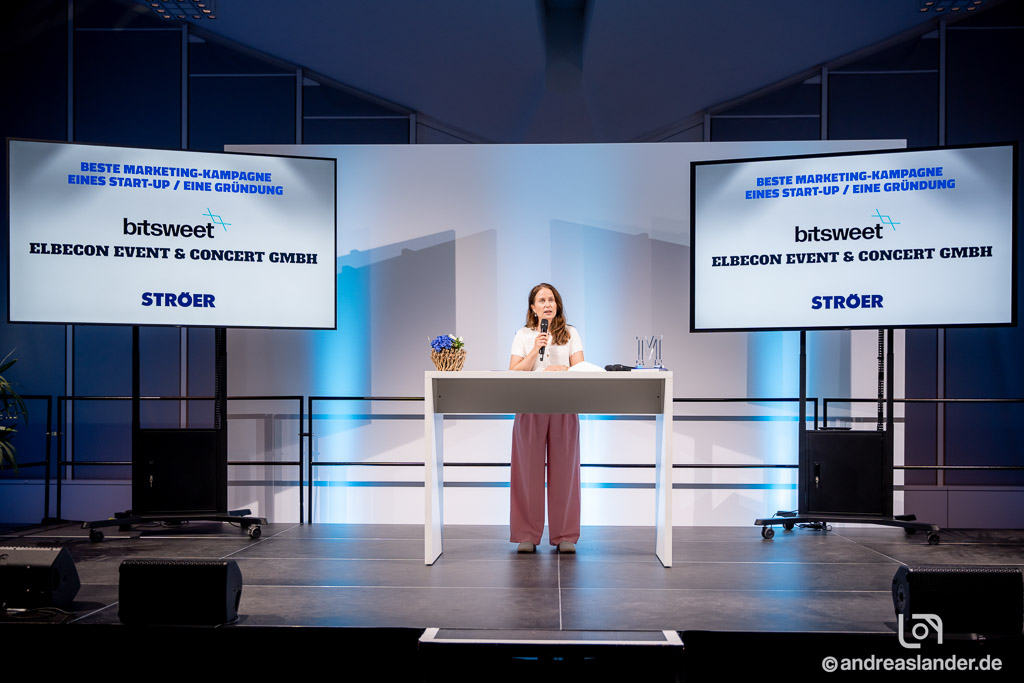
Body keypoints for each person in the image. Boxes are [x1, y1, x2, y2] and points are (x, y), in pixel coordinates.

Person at [508, 283, 584, 553]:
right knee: (527, 469)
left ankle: (565, 535)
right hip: (530, 403)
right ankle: (527, 534)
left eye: (551, 299)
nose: (548, 304)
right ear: (533, 307)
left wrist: (564, 368)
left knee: (565, 470)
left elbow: (583, 369)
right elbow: (514, 371)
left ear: (557, 304)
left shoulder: (571, 333)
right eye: (541, 300)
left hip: (564, 404)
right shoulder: (523, 334)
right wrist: (534, 350)